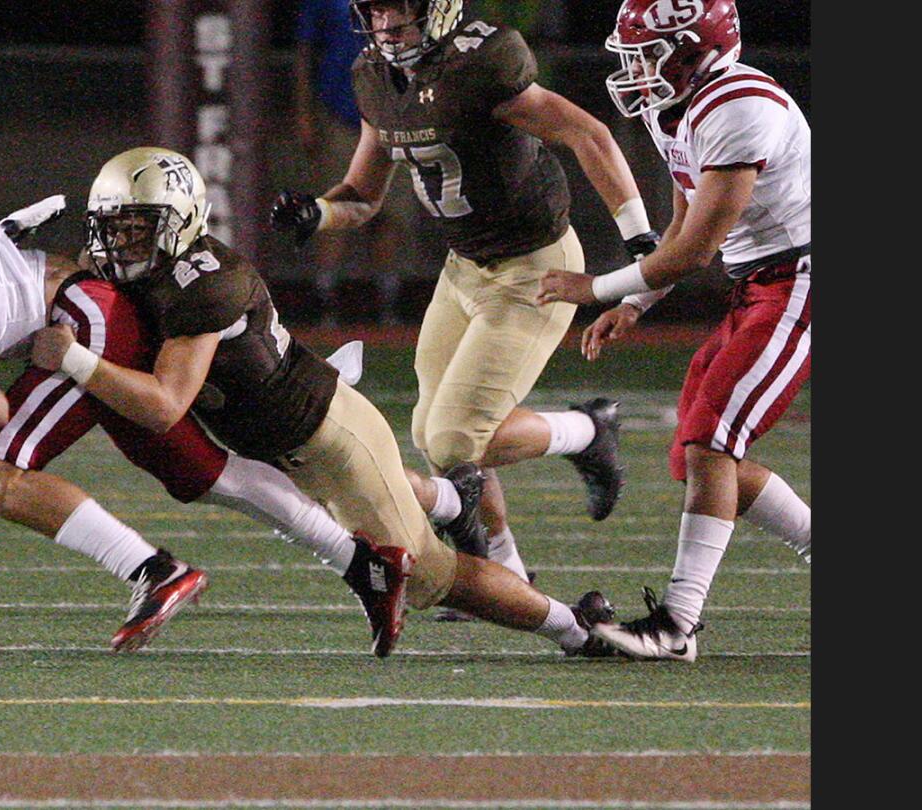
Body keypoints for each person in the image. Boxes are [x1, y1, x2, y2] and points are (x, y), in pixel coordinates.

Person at [0, 173, 415, 656]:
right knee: (198, 474)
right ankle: (364, 563)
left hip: (80, 322)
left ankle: (156, 572)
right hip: (85, 313)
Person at [32, 147, 617, 657]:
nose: (118, 243)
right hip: (292, 444)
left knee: (433, 578)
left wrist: (76, 360)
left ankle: (577, 627)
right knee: (383, 495)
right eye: (110, 227)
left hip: (326, 438)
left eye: (135, 227)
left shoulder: (207, 285)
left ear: (178, 222)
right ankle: (448, 499)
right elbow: (74, 270)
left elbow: (164, 407)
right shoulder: (157, 268)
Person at [270, 0, 658, 589]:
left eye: (397, 12)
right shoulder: (375, 75)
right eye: (373, 13)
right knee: (432, 434)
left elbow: (590, 135)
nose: (383, 27)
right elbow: (363, 195)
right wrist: (316, 213)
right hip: (464, 269)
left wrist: (640, 241)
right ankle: (504, 572)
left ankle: (586, 432)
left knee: (455, 436)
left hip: (534, 265)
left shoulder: (480, 63)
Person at [537, 0, 811, 661]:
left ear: (694, 50)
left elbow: (696, 250)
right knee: (695, 457)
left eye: (648, 54)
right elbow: (684, 230)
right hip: (760, 285)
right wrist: (637, 304)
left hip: (801, 278)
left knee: (711, 443)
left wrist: (595, 288)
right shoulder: (684, 108)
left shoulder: (739, 105)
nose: (634, 69)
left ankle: (676, 626)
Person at [293, 0, 413, 325]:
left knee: (392, 214)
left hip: (395, 117)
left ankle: (387, 300)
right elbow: (305, 51)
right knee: (335, 207)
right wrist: (305, 111)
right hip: (341, 113)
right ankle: (325, 300)